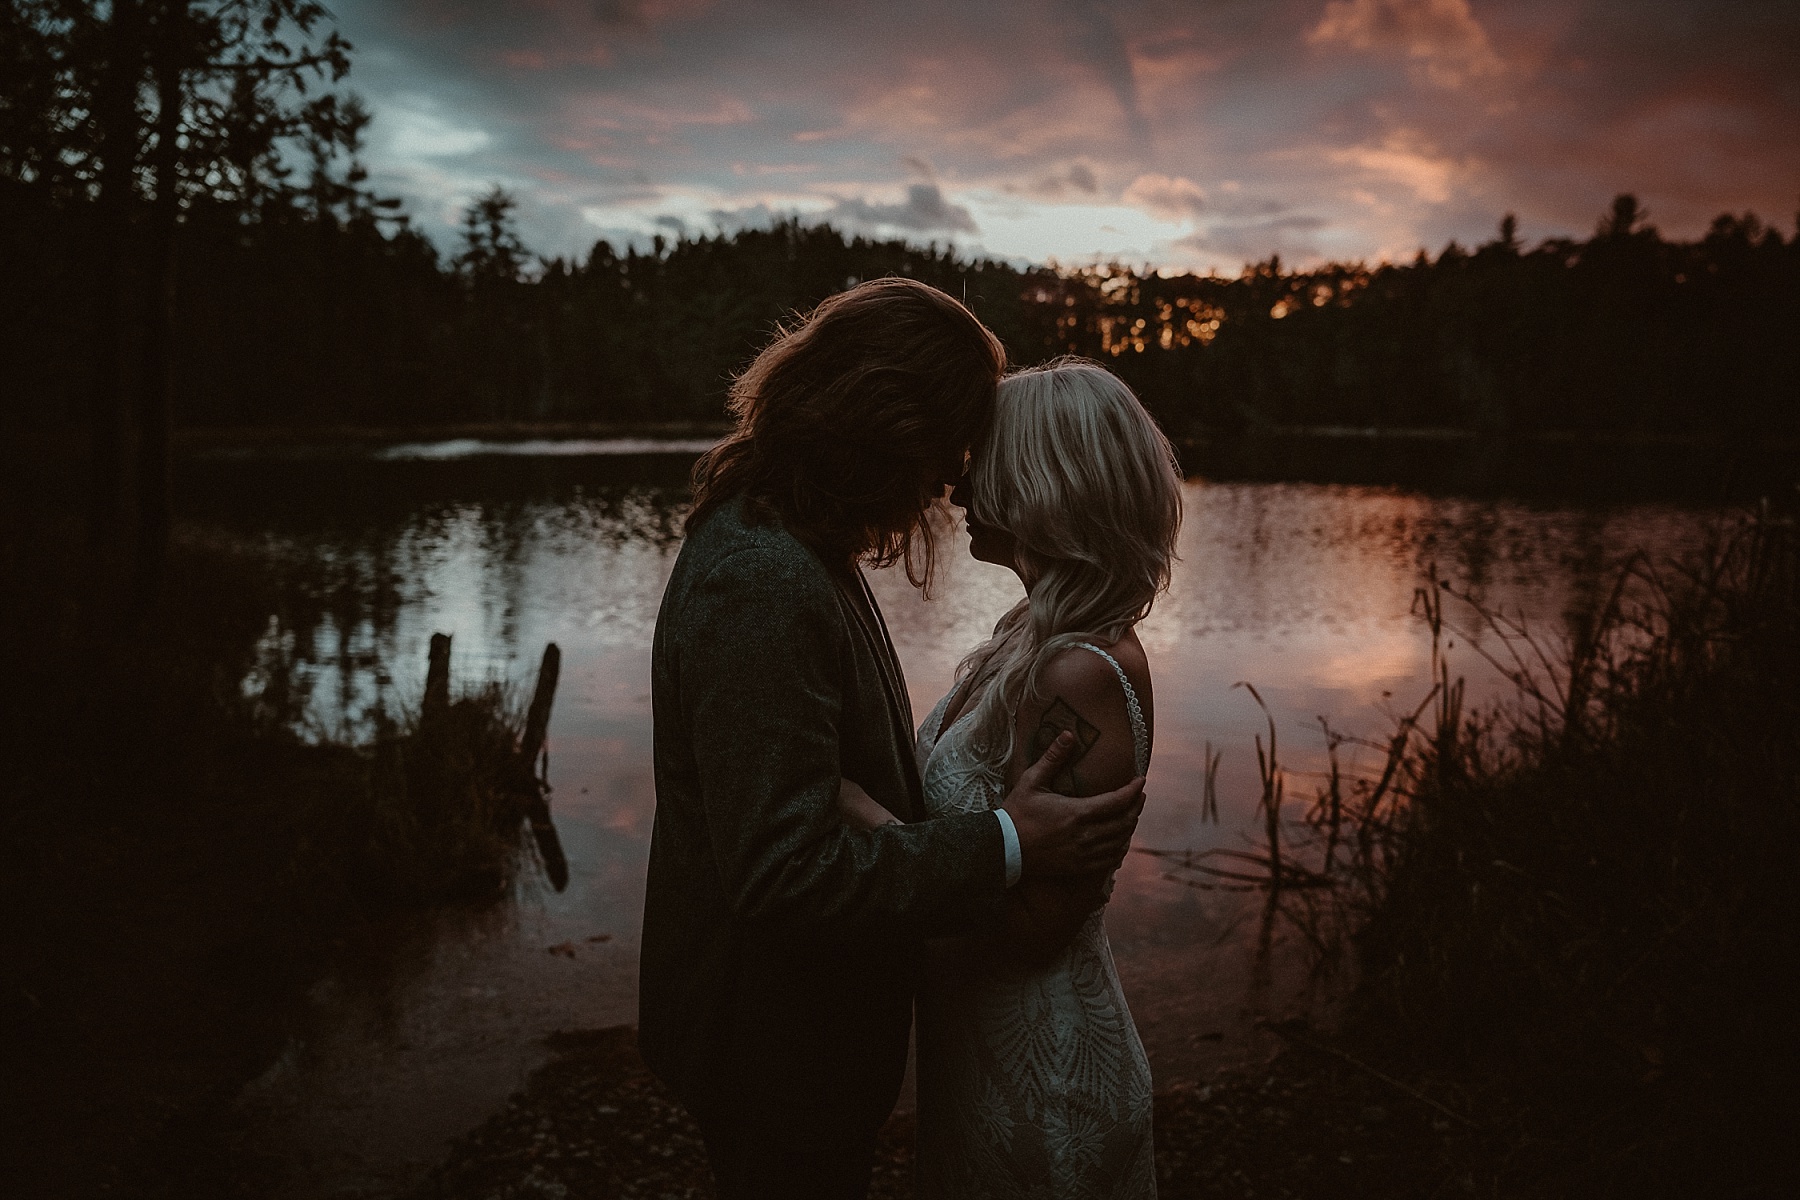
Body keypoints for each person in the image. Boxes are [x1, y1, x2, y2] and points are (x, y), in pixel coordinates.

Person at [639, 281, 1148, 1199]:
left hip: (820, 1044)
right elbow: (782, 871)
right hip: (774, 1046)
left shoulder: (800, 544)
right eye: (949, 447)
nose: (954, 480)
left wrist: (867, 807)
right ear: (885, 431)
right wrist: (1002, 841)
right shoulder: (762, 574)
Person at [839, 357, 1183, 1196]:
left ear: (1045, 486)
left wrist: (854, 811)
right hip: (977, 1049)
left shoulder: (1080, 672)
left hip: (1046, 1072)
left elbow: (1037, 926)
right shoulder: (1028, 634)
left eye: (982, 463)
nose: (957, 490)